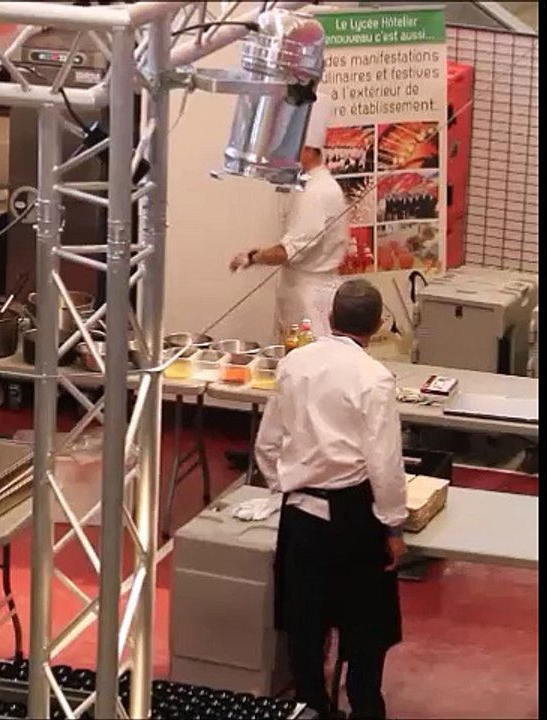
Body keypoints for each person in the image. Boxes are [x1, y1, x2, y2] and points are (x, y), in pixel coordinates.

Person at [255, 279, 407, 720]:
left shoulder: (294, 363)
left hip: (300, 513)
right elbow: (384, 461)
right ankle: (364, 705)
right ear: (378, 325)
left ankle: (310, 706)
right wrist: (393, 524)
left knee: (304, 622)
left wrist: (284, 485)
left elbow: (268, 443)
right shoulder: (374, 378)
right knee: (366, 625)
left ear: (330, 317)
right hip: (354, 514)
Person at [229, 95, 350, 340]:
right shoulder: (307, 185)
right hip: (299, 294)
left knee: (308, 365)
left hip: (311, 301)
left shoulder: (318, 192)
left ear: (307, 150)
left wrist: (252, 257)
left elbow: (290, 250)